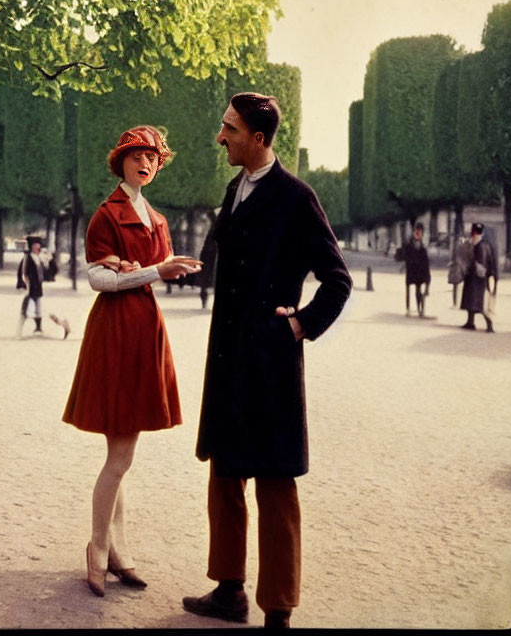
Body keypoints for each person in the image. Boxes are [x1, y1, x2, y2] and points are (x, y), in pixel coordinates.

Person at [181, 92, 352, 629]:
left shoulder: (297, 198)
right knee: (225, 473)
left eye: (229, 129)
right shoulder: (235, 189)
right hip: (229, 357)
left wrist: (300, 323)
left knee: (276, 482)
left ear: (258, 138)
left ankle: (277, 607)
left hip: (272, 361)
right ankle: (228, 590)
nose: (220, 136)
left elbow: (338, 279)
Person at [62, 125, 201, 598]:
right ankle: (99, 550)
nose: (146, 164)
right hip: (116, 330)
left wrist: (151, 270)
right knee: (120, 456)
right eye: (137, 156)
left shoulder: (157, 220)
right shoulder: (106, 215)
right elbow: (99, 281)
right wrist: (150, 271)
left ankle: (115, 551)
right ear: (120, 162)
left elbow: (145, 273)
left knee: (120, 455)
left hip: (143, 328)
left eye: (154, 158)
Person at [460, 222, 498, 332]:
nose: (474, 233)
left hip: (479, 279)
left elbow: (483, 262)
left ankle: (489, 324)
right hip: (472, 277)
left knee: (478, 303)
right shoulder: (478, 243)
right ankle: (470, 322)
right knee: (470, 300)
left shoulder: (482, 245)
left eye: (476, 231)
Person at [399, 221, 431, 317]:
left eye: (419, 232)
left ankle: (420, 309)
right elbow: (404, 255)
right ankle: (408, 308)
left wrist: (427, 275)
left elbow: (425, 261)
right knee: (408, 289)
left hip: (419, 271)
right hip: (411, 270)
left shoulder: (423, 246)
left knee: (418, 290)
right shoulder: (409, 244)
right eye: (416, 231)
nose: (418, 233)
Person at [18, 236, 47, 335]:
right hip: (30, 287)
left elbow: (45, 272)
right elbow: (22, 272)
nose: (38, 248)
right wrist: (22, 285)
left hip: (38, 288)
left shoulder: (40, 258)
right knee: (28, 310)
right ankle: (20, 329)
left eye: (38, 246)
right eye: (35, 246)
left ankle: (38, 328)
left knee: (38, 308)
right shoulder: (27, 258)